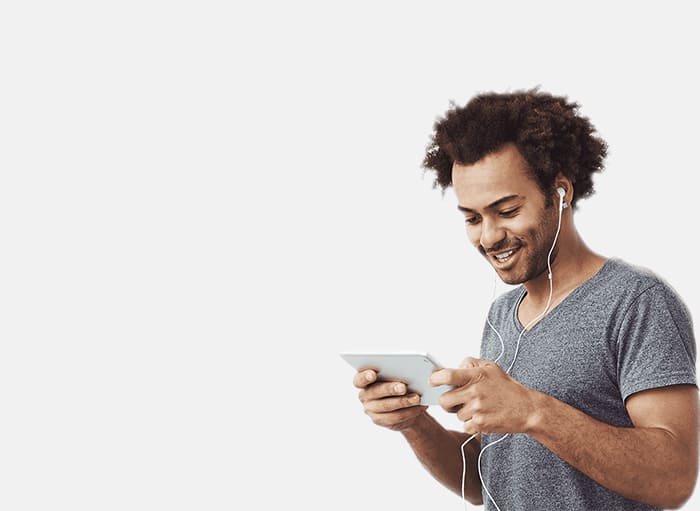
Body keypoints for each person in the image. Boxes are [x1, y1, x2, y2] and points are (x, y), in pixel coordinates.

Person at [351, 89, 698, 510]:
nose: (488, 236)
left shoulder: (636, 301)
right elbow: (486, 482)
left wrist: (533, 411)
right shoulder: (503, 314)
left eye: (507, 211)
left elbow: (673, 480)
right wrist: (414, 423)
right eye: (473, 218)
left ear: (561, 192)